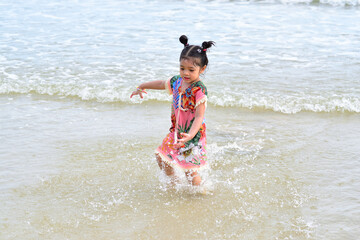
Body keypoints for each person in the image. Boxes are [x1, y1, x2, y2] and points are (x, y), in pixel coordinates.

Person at [130, 35, 215, 186]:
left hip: (192, 134)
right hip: (176, 131)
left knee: (190, 170)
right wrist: (142, 85)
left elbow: (199, 116)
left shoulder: (199, 90)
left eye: (191, 70)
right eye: (182, 68)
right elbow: (162, 83)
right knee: (162, 157)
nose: (185, 73)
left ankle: (199, 194)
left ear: (202, 69)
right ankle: (174, 182)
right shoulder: (177, 81)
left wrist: (190, 135)